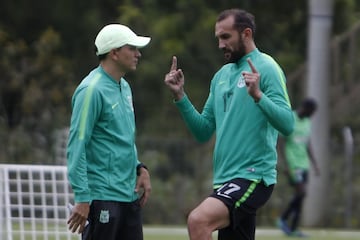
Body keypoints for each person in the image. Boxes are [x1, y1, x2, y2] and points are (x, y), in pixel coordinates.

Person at [164, 8, 294, 240]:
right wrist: (180, 97)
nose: (220, 44)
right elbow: (203, 131)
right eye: (218, 38)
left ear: (246, 34)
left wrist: (258, 96)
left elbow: (287, 124)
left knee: (198, 220)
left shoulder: (267, 67)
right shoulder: (221, 76)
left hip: (253, 176)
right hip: (225, 179)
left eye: (226, 37)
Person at [66, 23, 152, 240]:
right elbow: (77, 145)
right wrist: (83, 197)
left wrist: (139, 168)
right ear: (114, 53)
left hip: (127, 196)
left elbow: (123, 137)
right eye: (131, 48)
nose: (138, 54)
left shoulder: (124, 87)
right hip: (102, 197)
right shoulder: (91, 90)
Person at [277, 98, 319, 237]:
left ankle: (293, 228)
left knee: (300, 196)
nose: (312, 115)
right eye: (312, 112)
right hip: (293, 164)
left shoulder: (307, 122)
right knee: (302, 192)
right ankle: (283, 219)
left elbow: (308, 143)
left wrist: (314, 164)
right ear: (305, 108)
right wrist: (285, 165)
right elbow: (281, 142)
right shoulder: (291, 118)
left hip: (304, 164)